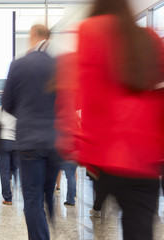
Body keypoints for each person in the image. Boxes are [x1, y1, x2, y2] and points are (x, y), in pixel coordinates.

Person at [56, 0, 164, 238]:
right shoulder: (148, 38)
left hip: (104, 156)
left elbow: (80, 92)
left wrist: (72, 141)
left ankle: (97, 208)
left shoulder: (90, 31)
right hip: (144, 159)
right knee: (139, 228)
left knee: (102, 209)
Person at [2, 24, 61, 240]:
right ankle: (50, 218)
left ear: (32, 37)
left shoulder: (19, 64)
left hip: (29, 142)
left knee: (32, 198)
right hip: (55, 140)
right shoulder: (57, 65)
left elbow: (7, 103)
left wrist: (26, 113)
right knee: (46, 193)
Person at [0, 106, 18, 205]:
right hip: (17, 142)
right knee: (16, 169)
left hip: (3, 142)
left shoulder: (1, 109)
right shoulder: (19, 107)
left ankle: (8, 198)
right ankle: (20, 193)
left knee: (4, 171)